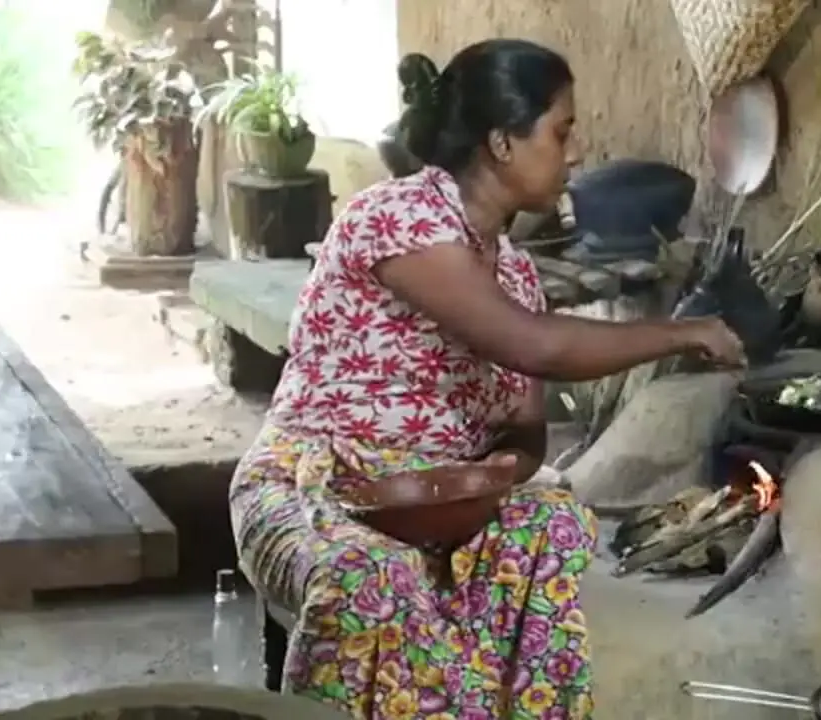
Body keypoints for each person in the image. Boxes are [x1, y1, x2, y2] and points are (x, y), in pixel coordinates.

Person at [229, 38, 745, 720]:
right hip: (321, 484)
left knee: (554, 526)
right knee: (371, 578)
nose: (576, 153)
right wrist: (682, 332)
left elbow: (525, 434)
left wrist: (498, 470)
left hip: (435, 506)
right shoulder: (399, 217)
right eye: (560, 132)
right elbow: (533, 345)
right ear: (503, 142)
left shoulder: (516, 275)